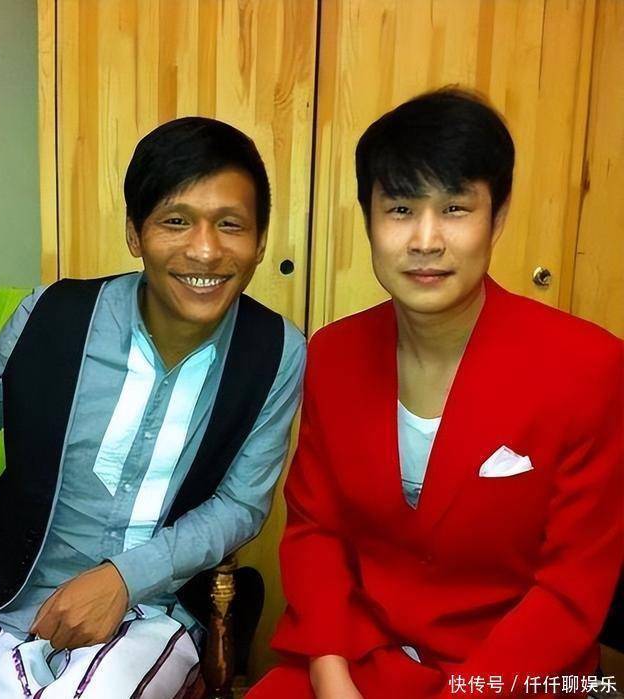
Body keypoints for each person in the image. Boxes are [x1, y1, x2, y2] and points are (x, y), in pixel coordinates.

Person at [248, 88, 623, 698]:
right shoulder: (335, 354)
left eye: (454, 208)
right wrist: (330, 672)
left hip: (514, 676)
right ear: (368, 218)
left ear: (497, 217)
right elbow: (316, 530)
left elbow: (570, 589)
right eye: (400, 209)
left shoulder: (589, 366)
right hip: (363, 658)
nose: (425, 239)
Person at [0, 117, 305, 697]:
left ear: (260, 241)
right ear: (135, 233)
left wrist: (124, 579)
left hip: (153, 608)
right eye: (176, 221)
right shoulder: (50, 316)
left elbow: (241, 504)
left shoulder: (276, 351)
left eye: (230, 224)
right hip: (7, 588)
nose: (204, 250)